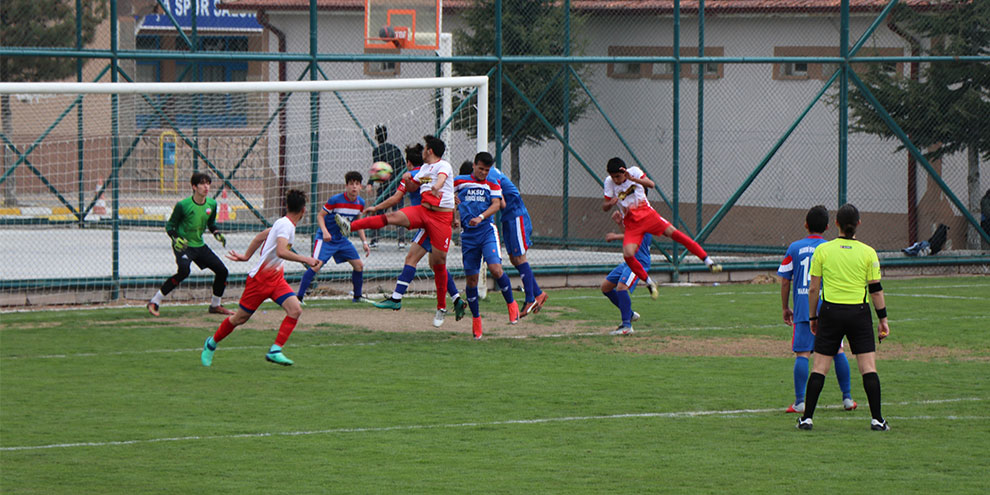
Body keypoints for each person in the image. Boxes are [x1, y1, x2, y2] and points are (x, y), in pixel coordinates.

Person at [200, 189, 323, 367]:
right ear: (304, 210)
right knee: (239, 319)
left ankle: (275, 351)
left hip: (276, 280)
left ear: (287, 206)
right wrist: (307, 259)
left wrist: (246, 256)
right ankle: (211, 343)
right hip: (259, 281)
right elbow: (281, 251)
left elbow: (260, 237)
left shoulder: (283, 223)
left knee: (295, 310)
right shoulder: (286, 226)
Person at [798, 203, 891, 431]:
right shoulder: (868, 252)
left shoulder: (824, 250)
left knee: (820, 367)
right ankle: (877, 420)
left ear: (836, 223)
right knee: (868, 367)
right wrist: (883, 319)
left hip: (830, 312)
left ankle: (807, 418)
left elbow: (813, 289)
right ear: (858, 223)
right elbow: (875, 290)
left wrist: (813, 317)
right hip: (859, 313)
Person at [345, 135, 455, 328]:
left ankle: (442, 306)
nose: (423, 151)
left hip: (441, 219)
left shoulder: (443, 166)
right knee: (392, 217)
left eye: (425, 148)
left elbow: (440, 179)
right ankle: (349, 227)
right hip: (423, 212)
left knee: (438, 263)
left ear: (429, 151)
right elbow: (415, 184)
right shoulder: (423, 170)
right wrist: (407, 179)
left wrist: (437, 187)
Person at [367, 144, 466, 318]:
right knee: (435, 265)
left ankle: (396, 298)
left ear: (408, 163)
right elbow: (446, 195)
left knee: (412, 259)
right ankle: (456, 299)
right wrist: (452, 217)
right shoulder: (432, 172)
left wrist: (376, 207)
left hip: (427, 223)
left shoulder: (413, 176)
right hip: (437, 220)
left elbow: (396, 198)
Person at [602, 157, 721, 300]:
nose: (615, 180)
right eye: (613, 177)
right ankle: (649, 282)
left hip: (648, 215)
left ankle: (709, 262)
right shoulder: (609, 182)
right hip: (632, 224)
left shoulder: (634, 172)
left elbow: (651, 184)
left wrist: (633, 179)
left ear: (624, 172)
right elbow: (605, 206)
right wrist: (610, 204)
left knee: (675, 234)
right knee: (627, 254)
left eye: (618, 176)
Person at [778, 205, 856, 414]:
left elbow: (785, 280)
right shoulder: (831, 248)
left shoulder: (794, 248)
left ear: (805, 225)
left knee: (802, 354)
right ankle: (847, 398)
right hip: (829, 307)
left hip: (804, 309)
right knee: (837, 350)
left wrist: (785, 307)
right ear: (828, 227)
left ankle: (800, 402)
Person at [147, 172, 234, 317]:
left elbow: (211, 223)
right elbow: (170, 226)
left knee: (222, 271)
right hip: (184, 246)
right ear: (194, 187)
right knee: (184, 271)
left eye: (208, 183)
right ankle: (154, 301)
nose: (206, 187)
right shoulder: (183, 205)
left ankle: (215, 305)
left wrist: (217, 233)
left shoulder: (212, 204)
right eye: (202, 184)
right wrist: (176, 238)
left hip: (199, 245)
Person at [455, 152, 520, 339]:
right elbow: (446, 195)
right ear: (474, 166)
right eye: (481, 168)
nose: (483, 172)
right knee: (472, 281)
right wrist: (453, 213)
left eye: (487, 169)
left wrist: (481, 217)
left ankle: (511, 304)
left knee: (495, 268)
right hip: (468, 236)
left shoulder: (492, 183)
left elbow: (497, 204)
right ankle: (476, 319)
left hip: (486, 231)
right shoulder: (460, 181)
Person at [484, 155, 548, 317]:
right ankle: (538, 293)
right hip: (509, 218)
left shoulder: (490, 176)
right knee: (514, 258)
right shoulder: (490, 173)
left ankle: (530, 299)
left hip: (516, 216)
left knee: (520, 258)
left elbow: (502, 203)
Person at [296, 171, 370, 303]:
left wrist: (364, 242)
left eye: (357, 184)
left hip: (341, 240)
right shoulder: (335, 200)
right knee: (315, 266)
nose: (354, 187)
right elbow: (320, 216)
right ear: (346, 186)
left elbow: (359, 224)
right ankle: (299, 297)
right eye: (351, 184)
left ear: (361, 186)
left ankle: (357, 297)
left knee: (359, 265)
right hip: (326, 239)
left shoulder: (360, 203)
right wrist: (325, 231)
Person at [601, 209, 650, 336]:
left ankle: (626, 326)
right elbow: (628, 233)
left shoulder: (646, 215)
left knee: (621, 287)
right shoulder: (633, 214)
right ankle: (630, 314)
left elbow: (635, 235)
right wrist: (619, 223)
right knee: (606, 287)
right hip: (629, 261)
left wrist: (615, 236)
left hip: (639, 262)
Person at [370, 124, 406, 249]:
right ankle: (401, 241)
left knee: (378, 212)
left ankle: (374, 240)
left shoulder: (377, 151)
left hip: (385, 187)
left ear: (376, 137)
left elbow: (376, 168)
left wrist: (370, 183)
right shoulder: (395, 149)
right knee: (398, 213)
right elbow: (403, 166)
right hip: (397, 186)